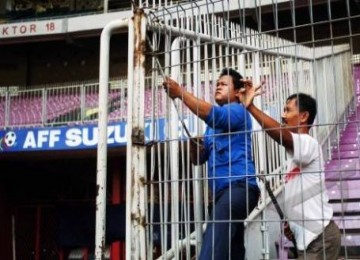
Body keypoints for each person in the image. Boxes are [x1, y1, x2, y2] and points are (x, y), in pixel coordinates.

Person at [163, 68, 260, 260]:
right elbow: (199, 159)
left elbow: (217, 116)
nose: (218, 86)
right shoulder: (211, 128)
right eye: (217, 83)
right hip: (224, 193)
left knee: (214, 244)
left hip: (238, 188)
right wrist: (195, 148)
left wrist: (180, 93)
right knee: (232, 249)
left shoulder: (238, 110)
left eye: (224, 84)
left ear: (236, 92)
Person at [239, 80, 341, 259]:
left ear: (303, 116)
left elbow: (281, 136)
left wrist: (251, 107)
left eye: (287, 110)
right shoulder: (294, 157)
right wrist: (292, 224)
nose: (283, 115)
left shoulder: (308, 143)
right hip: (311, 240)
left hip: (320, 239)